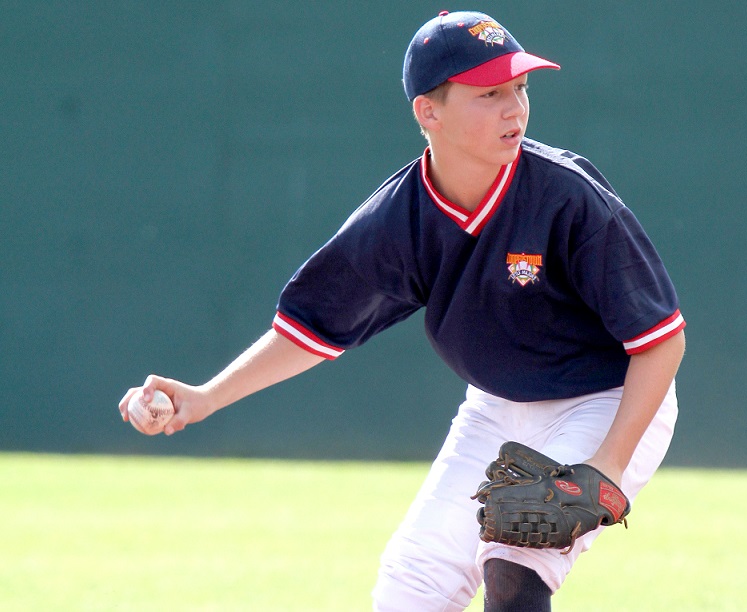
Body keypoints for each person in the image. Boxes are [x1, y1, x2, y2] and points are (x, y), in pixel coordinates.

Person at [119, 10, 686, 611]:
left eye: (520, 88)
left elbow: (660, 341)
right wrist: (207, 396)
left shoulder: (567, 195)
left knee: (514, 563)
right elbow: (310, 330)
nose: (514, 108)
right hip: (497, 408)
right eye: (489, 93)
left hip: (606, 399)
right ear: (428, 112)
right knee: (409, 587)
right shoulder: (399, 219)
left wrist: (606, 467)